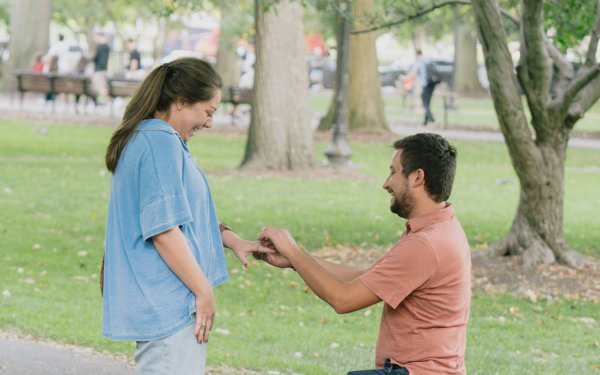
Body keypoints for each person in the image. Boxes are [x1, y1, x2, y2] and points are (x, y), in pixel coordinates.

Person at [101, 57, 272, 374]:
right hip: (170, 304)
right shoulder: (159, 141)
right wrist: (203, 290)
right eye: (208, 111)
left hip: (169, 301)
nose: (210, 123)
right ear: (180, 102)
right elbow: (163, 230)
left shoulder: (153, 139)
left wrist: (232, 239)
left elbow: (180, 215)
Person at [257, 133, 471, 375]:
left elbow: (344, 299)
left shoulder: (426, 244)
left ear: (417, 177)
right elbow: (364, 277)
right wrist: (295, 260)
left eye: (393, 172)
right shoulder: (440, 227)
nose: (386, 183)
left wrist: (294, 251)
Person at [412, 49, 437, 126]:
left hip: (426, 84)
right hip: (432, 84)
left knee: (424, 102)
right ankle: (426, 121)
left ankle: (432, 119)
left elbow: (413, 73)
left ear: (417, 54)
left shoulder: (419, 62)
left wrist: (403, 78)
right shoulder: (427, 60)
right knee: (427, 102)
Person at [91, 32, 111, 103]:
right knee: (102, 86)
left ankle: (110, 100)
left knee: (97, 87)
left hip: (98, 70)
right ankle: (109, 100)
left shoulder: (100, 47)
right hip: (104, 70)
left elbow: (94, 58)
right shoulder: (107, 47)